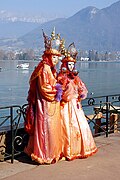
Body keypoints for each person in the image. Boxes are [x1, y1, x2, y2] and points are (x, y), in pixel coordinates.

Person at [24, 29, 63, 164]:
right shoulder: (44, 69)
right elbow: (45, 88)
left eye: (58, 57)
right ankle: (44, 154)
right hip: (46, 106)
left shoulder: (50, 69)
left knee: (51, 130)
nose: (56, 60)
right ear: (48, 56)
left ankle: (52, 153)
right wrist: (57, 91)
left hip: (51, 106)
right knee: (46, 130)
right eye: (54, 57)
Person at [57, 43, 98, 160]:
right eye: (68, 64)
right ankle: (66, 151)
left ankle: (79, 149)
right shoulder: (61, 78)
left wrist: (81, 94)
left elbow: (83, 89)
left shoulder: (76, 78)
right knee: (66, 128)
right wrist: (66, 96)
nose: (70, 66)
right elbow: (59, 93)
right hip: (65, 107)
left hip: (76, 106)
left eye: (72, 64)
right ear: (65, 64)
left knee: (80, 127)